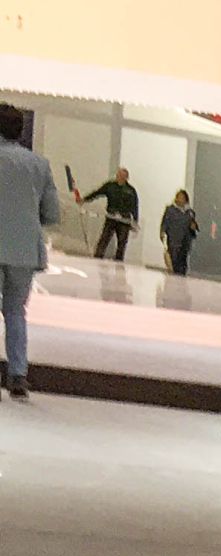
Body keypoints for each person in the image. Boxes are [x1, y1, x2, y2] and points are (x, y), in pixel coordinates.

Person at [0, 104, 61, 401]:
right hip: (24, 250)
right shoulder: (39, 164)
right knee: (15, 312)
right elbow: (51, 214)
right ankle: (18, 374)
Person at [68, 162, 137, 261]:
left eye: (122, 176)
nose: (119, 177)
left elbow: (134, 207)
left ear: (126, 177)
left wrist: (134, 221)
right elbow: (97, 193)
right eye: (118, 175)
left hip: (124, 220)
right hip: (111, 217)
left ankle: (118, 262)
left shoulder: (131, 191)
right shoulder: (110, 186)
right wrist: (84, 200)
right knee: (104, 239)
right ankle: (97, 259)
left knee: (122, 243)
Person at [158, 189, 199, 276]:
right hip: (173, 239)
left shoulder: (190, 212)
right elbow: (165, 222)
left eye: (182, 198)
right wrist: (162, 232)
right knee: (174, 260)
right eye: (179, 197)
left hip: (185, 241)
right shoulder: (170, 210)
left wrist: (193, 228)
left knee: (183, 262)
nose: (180, 199)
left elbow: (194, 227)